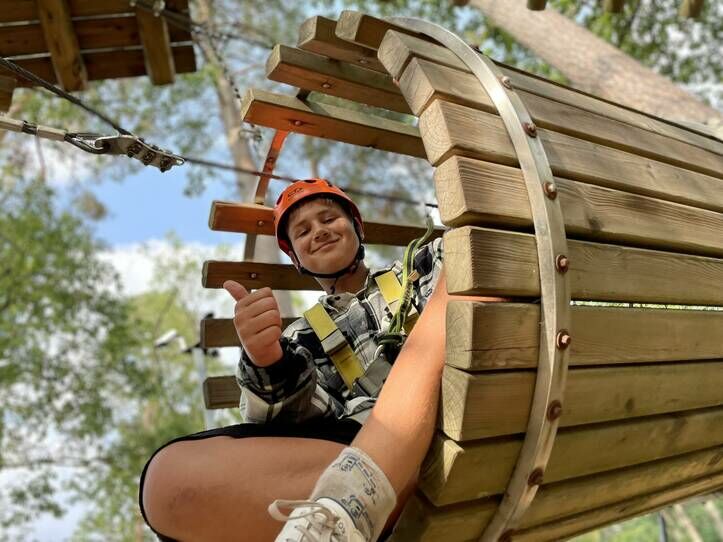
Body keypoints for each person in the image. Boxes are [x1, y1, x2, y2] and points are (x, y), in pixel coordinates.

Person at [139, 179, 505, 541]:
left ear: (357, 228)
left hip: (466, 406)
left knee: (461, 270)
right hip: (363, 449)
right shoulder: (303, 338)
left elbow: (487, 262)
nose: (319, 231)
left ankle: (347, 504)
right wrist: (267, 361)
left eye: (329, 218)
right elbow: (302, 423)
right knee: (167, 482)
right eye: (303, 231)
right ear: (296, 260)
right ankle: (343, 506)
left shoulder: (420, 266)